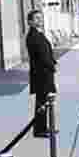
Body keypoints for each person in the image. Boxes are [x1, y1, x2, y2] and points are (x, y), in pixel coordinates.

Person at [25, 9, 57, 138]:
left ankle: (44, 127)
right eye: (36, 18)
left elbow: (47, 51)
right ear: (30, 22)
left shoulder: (39, 34)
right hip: (41, 74)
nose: (40, 20)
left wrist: (53, 62)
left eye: (40, 17)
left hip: (45, 73)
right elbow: (41, 56)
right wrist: (51, 65)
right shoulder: (32, 36)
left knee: (44, 101)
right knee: (42, 102)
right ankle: (39, 130)